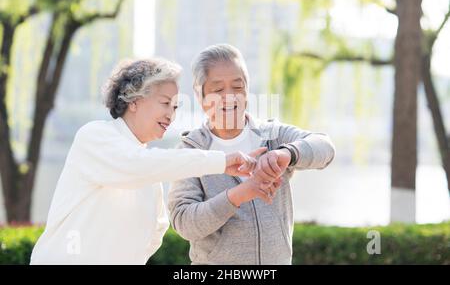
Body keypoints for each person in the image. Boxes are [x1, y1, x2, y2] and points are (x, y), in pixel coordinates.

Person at [30, 58, 267, 264]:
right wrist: (222, 161)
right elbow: (136, 165)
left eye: (175, 107)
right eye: (165, 103)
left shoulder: (149, 171)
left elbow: (157, 230)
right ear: (134, 100)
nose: (171, 115)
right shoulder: (94, 137)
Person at [168, 44, 336, 265]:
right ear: (200, 95)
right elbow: (184, 223)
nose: (230, 97)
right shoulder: (191, 151)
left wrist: (287, 154)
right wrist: (239, 194)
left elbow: (325, 148)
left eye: (237, 86)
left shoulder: (272, 136)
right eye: (218, 90)